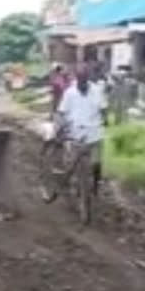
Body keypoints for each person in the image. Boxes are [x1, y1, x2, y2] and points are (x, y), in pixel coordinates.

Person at [55, 66, 107, 196]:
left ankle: (96, 186)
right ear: (77, 80)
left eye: (85, 80)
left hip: (94, 131)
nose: (82, 83)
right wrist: (61, 126)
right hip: (75, 131)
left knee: (96, 161)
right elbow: (61, 111)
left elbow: (103, 108)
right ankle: (74, 186)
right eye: (80, 81)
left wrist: (105, 119)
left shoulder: (97, 90)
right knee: (73, 161)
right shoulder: (70, 93)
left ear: (88, 79)